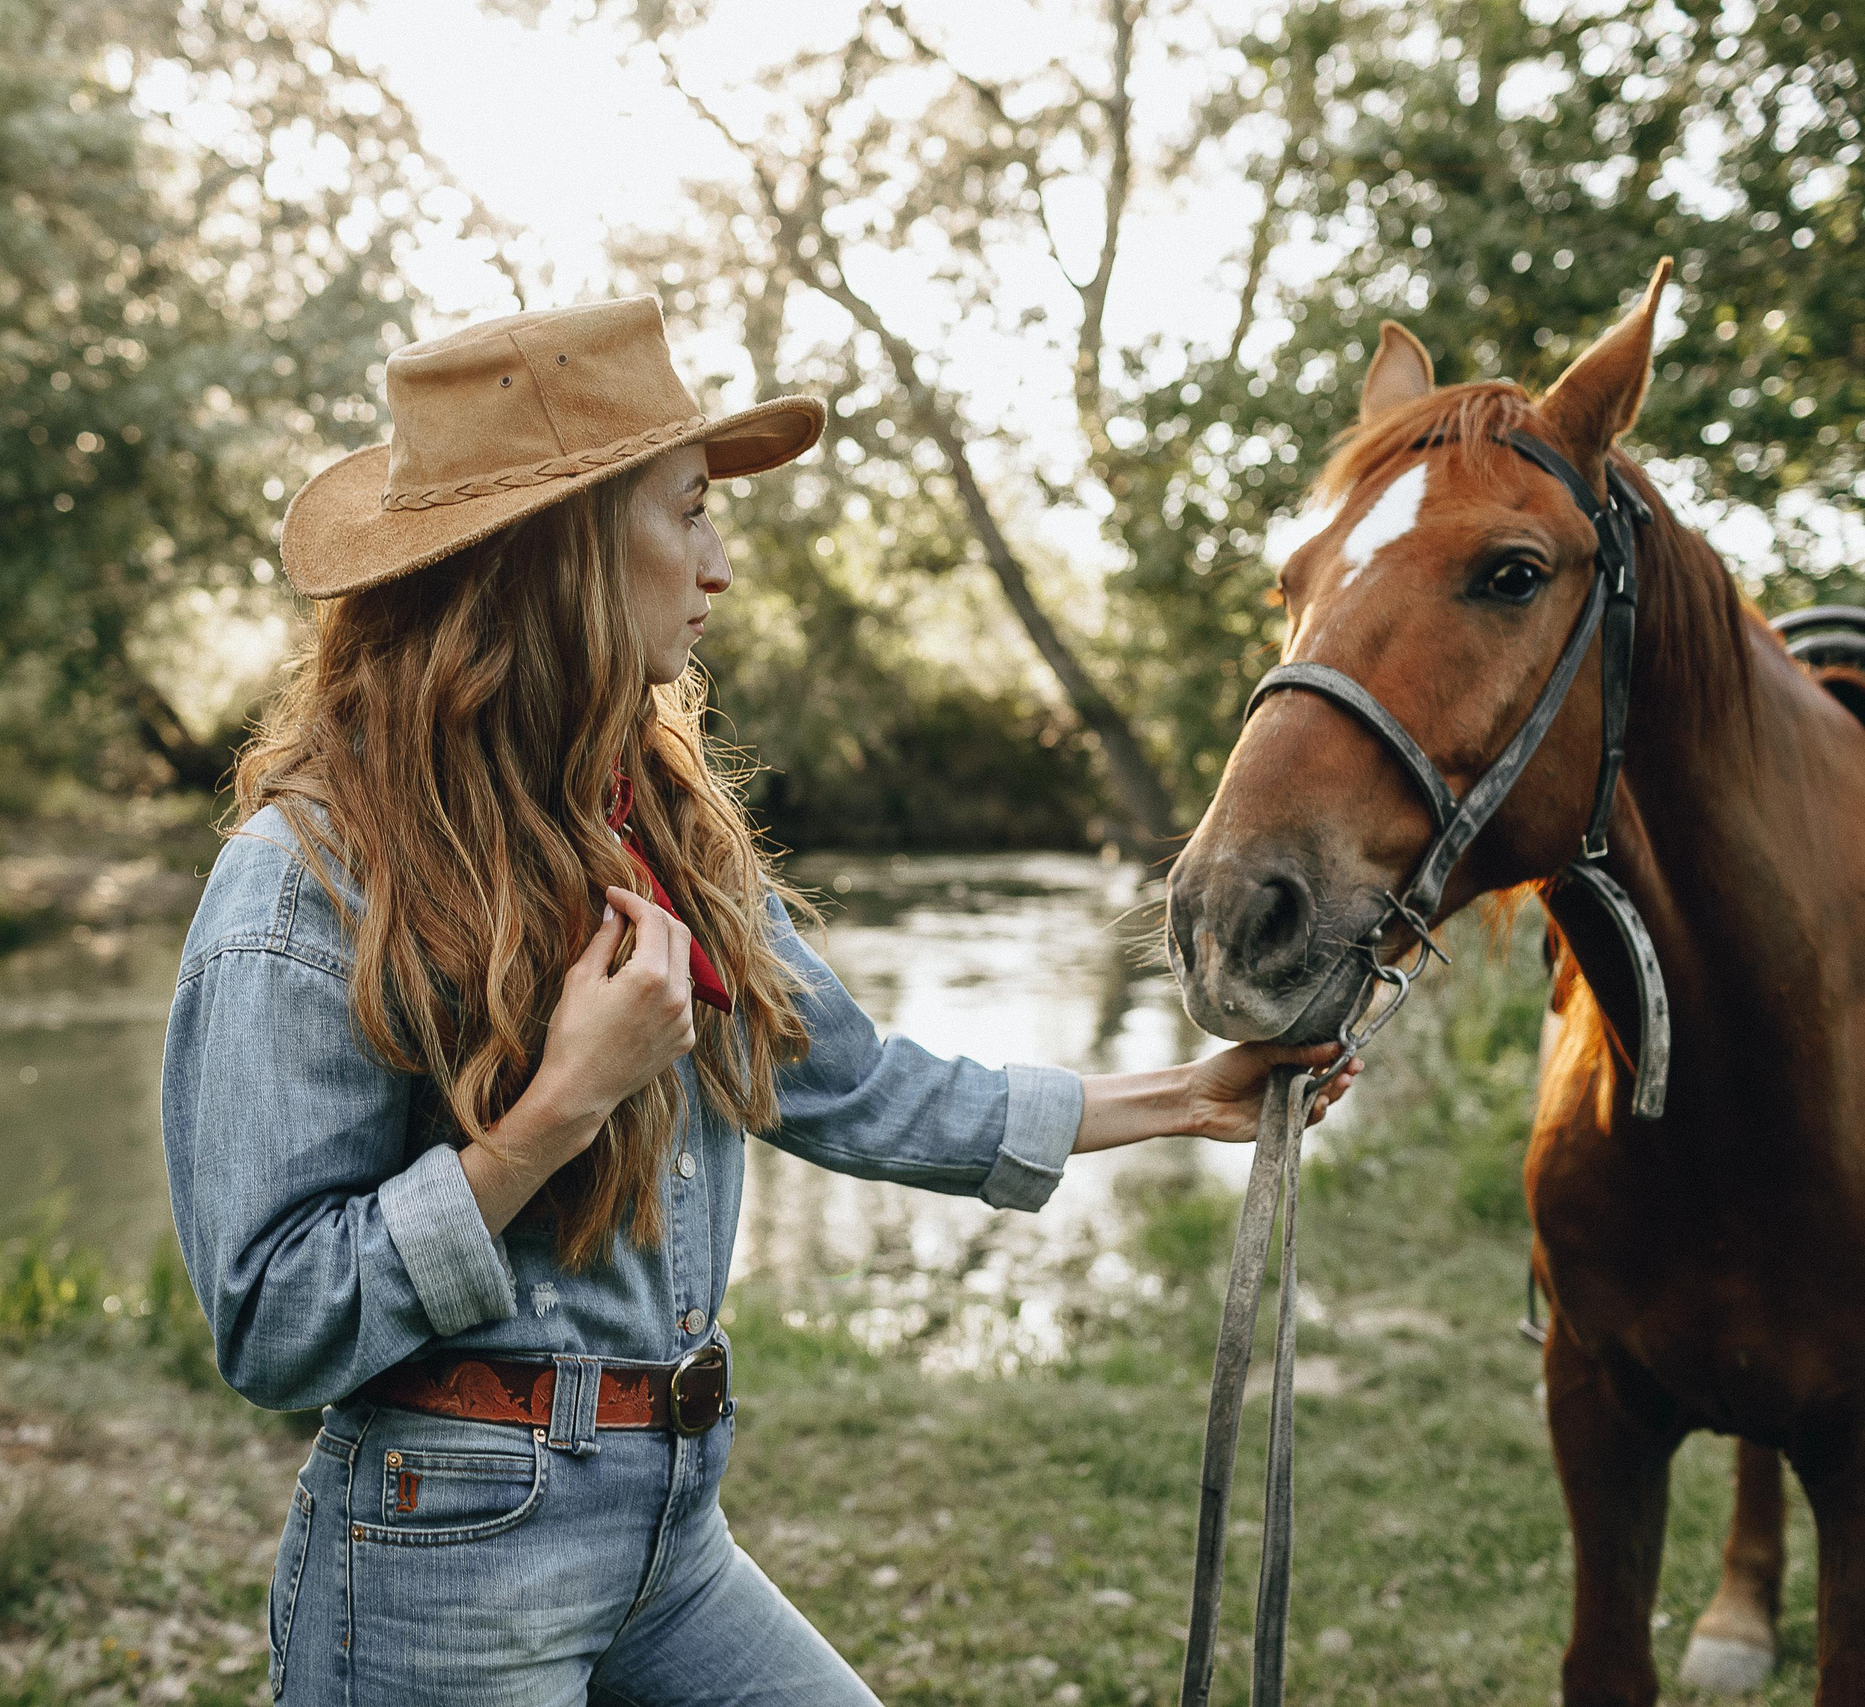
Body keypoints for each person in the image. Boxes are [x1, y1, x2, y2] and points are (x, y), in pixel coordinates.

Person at [159, 297, 1356, 1707]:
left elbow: (849, 1082)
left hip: (669, 1531)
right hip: (447, 1555)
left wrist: (1184, 1098)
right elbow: (276, 1326)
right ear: (565, 555)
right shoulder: (302, 885)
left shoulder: (653, 822)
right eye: (691, 513)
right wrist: (557, 1109)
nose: (719, 567)